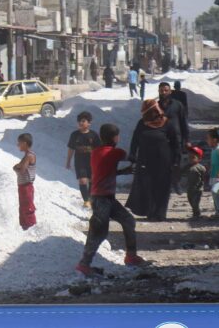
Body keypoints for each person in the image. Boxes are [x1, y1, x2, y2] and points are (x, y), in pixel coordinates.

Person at [76, 123, 146, 276]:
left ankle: (131, 256)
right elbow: (133, 158)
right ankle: (84, 264)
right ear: (115, 137)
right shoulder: (116, 152)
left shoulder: (95, 153)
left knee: (128, 221)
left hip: (102, 198)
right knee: (99, 231)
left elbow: (105, 171)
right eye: (117, 136)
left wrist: (122, 171)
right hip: (103, 200)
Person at [126, 100, 179, 221]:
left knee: (162, 187)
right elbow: (135, 140)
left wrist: (175, 160)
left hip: (164, 161)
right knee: (147, 186)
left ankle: (160, 214)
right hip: (145, 160)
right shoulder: (142, 123)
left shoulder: (167, 123)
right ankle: (150, 212)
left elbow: (175, 143)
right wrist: (133, 154)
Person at [158, 81, 189, 194]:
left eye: (166, 90)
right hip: (161, 139)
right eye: (161, 90)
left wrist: (187, 140)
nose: (164, 92)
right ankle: (166, 185)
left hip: (176, 138)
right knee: (163, 163)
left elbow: (184, 123)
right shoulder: (156, 106)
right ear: (158, 92)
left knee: (176, 162)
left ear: (170, 91)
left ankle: (176, 183)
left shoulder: (177, 105)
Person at [66, 111, 101, 208]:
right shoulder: (74, 135)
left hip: (92, 162)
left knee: (92, 181)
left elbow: (99, 150)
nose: (80, 123)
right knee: (83, 181)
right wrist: (68, 161)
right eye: (79, 121)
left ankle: (90, 198)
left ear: (89, 123)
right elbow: (71, 149)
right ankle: (86, 201)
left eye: (83, 121)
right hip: (80, 162)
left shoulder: (93, 135)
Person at [13, 133, 37, 231]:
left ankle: (31, 225)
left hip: (26, 186)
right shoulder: (26, 156)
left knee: (27, 206)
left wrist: (16, 166)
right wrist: (18, 166)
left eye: (19, 143)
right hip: (23, 186)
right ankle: (24, 225)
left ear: (25, 143)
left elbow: (21, 169)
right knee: (23, 205)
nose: (18, 145)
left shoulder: (29, 156)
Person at [185, 146, 206, 220]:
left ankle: (197, 214)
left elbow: (205, 175)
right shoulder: (188, 166)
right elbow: (181, 172)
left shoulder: (201, 167)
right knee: (190, 200)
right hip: (190, 189)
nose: (190, 159)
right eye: (189, 157)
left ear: (199, 159)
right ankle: (195, 213)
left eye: (193, 157)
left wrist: (204, 183)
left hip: (198, 189)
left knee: (195, 202)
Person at [208, 128, 219, 218]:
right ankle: (218, 211)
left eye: (208, 138)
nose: (207, 140)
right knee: (214, 192)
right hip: (214, 175)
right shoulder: (213, 150)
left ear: (215, 139)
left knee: (214, 191)